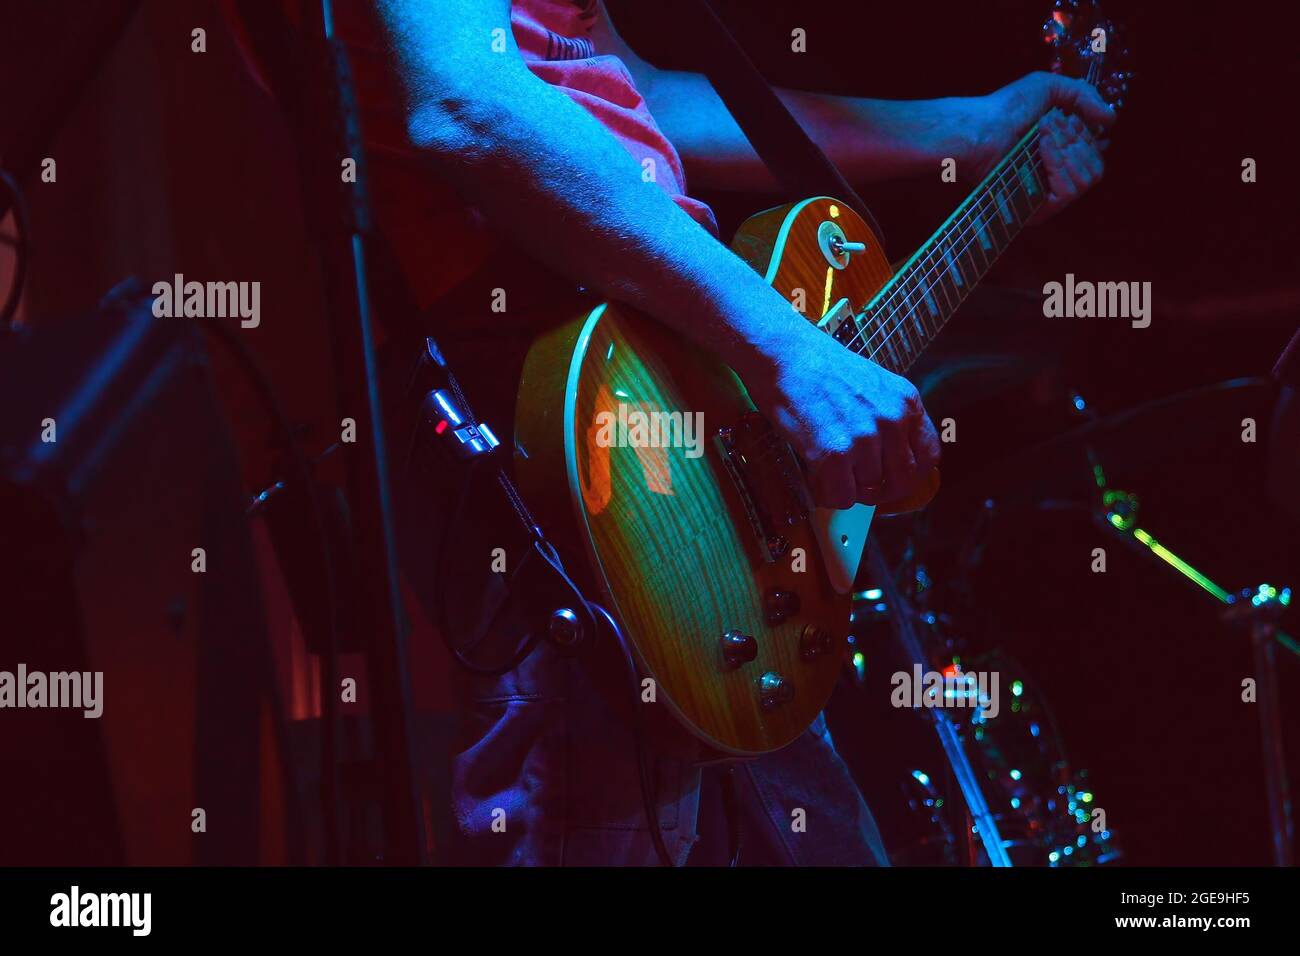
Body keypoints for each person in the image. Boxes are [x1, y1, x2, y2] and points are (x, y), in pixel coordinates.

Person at [228, 0, 1112, 865]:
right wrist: (787, 353)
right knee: (591, 812)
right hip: (546, 387)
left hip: (672, 376)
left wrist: (971, 127)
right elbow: (468, 102)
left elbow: (632, 90)